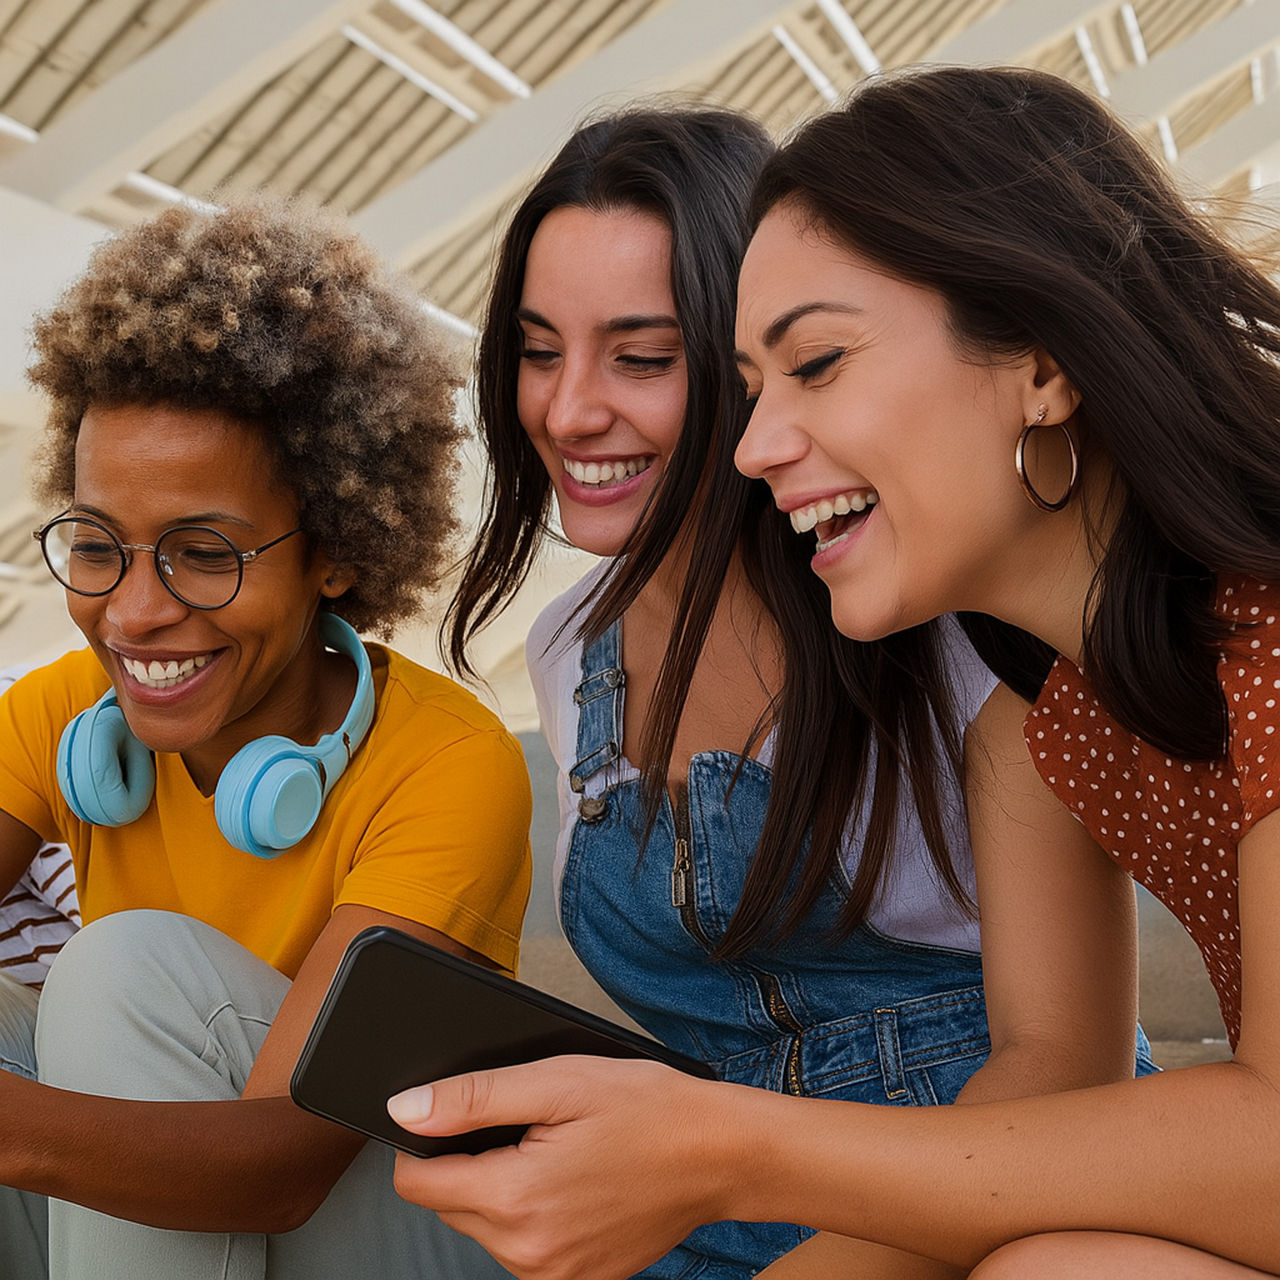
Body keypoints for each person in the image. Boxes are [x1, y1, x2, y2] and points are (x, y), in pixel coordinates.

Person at [386, 65, 1280, 1279]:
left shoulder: (1233, 644)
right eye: (750, 385)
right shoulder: (1069, 696)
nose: (753, 448)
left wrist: (725, 1146)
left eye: (815, 365)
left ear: (1042, 362)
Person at [0, 196, 530, 1279]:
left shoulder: (446, 762)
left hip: (388, 1223)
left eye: (203, 552)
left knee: (124, 965)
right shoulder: (58, 712)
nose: (135, 611)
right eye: (98, 544)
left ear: (333, 548)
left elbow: (283, 1163)